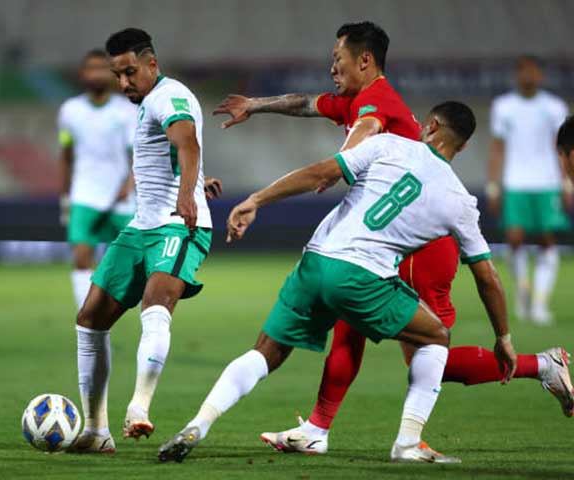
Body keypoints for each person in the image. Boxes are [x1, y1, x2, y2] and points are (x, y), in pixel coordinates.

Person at [214, 23, 574, 455]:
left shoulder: (375, 101)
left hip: (420, 241)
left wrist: (341, 164)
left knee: (428, 352)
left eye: (338, 59)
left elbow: (365, 130)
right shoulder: (351, 100)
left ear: (363, 61)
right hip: (392, 234)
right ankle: (317, 428)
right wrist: (255, 104)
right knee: (357, 325)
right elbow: (305, 103)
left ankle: (540, 366)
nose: (332, 67)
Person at [158, 102, 516, 464]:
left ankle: (200, 423)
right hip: (362, 276)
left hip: (315, 260)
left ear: (430, 125)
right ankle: (407, 442)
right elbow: (487, 277)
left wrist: (256, 199)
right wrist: (502, 337)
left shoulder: (387, 145)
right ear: (464, 145)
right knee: (436, 335)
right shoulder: (460, 202)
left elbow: (320, 173)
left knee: (265, 352)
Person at [69, 28, 214, 453]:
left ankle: (139, 406)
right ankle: (97, 432)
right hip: (142, 226)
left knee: (156, 303)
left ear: (152, 63)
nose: (124, 83)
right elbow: (175, 155)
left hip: (178, 226)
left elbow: (186, 141)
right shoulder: (149, 100)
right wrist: (196, 181)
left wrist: (187, 193)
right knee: (90, 318)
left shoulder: (170, 96)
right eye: (118, 75)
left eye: (130, 72)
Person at [487, 55, 570, 324]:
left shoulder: (554, 107)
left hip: (547, 182)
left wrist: (567, 182)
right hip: (515, 181)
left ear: (540, 75)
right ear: (517, 75)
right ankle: (523, 291)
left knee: (547, 240)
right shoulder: (503, 106)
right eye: (522, 71)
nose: (528, 76)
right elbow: (497, 148)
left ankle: (540, 302)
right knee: (514, 238)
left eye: (532, 71)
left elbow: (563, 149)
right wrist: (493, 185)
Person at [58, 49, 137, 309]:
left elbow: (135, 154)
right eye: (91, 68)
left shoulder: (126, 111)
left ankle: (145, 319)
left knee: (137, 261)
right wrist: (66, 195)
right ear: (83, 74)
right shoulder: (70, 111)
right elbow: (66, 154)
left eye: (103, 68)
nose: (97, 73)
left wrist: (129, 184)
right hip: (84, 195)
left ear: (112, 74)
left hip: (121, 196)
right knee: (81, 257)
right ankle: (87, 316)